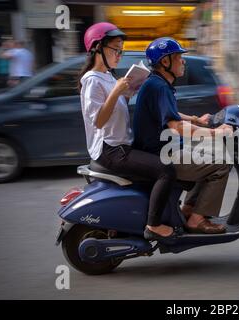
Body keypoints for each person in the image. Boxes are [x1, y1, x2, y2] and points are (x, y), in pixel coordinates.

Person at [77, 22, 179, 241]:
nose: (119, 54)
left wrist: (128, 90)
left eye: (121, 49)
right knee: (166, 170)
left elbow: (113, 111)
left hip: (121, 146)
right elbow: (98, 121)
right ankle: (153, 225)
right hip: (111, 151)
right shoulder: (92, 81)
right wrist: (116, 92)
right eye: (115, 49)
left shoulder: (109, 77)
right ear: (97, 48)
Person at [133, 37, 233, 234]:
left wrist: (196, 120)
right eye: (179, 57)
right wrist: (215, 132)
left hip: (165, 148)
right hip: (162, 154)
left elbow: (170, 113)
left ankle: (189, 209)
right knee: (221, 164)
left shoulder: (157, 83)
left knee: (210, 155)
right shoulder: (159, 86)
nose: (183, 61)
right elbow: (176, 125)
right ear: (165, 62)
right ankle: (196, 219)